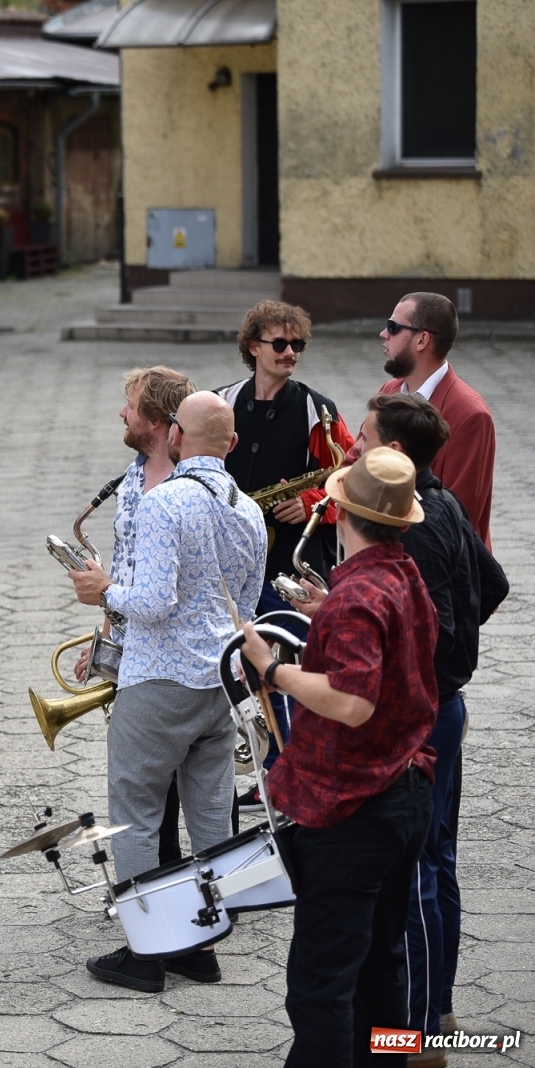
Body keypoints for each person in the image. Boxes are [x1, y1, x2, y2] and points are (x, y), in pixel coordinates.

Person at [241, 446, 437, 1067]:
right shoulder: (401, 575)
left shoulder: (359, 596)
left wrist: (274, 667)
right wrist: (328, 615)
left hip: (354, 809)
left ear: (342, 515)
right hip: (404, 794)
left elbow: (351, 703)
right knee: (385, 965)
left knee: (321, 987)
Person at [68, 390, 266, 992]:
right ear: (231, 444)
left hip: (160, 680)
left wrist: (103, 590)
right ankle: (200, 948)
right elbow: (248, 606)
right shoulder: (249, 507)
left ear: (176, 436)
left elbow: (152, 603)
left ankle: (148, 952)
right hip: (219, 681)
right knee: (210, 816)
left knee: (135, 817)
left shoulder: (165, 501)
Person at [337, 394, 506, 1052]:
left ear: (395, 455)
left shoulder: (420, 524)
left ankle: (422, 1031)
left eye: (365, 436)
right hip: (440, 706)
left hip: (426, 715)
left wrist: (420, 662)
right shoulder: (448, 502)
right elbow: (492, 585)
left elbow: (434, 620)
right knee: (432, 862)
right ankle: (430, 1014)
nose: (353, 445)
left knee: (419, 873)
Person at [216, 300, 354, 805]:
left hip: (290, 559)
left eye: (297, 344)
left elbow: (350, 481)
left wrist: (314, 500)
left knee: (293, 662)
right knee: (244, 664)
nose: (290, 352)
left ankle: (288, 769)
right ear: (253, 348)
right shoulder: (219, 402)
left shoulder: (320, 411)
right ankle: (262, 764)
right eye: (279, 344)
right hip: (230, 556)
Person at [77, 367, 195, 867]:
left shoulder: (190, 483)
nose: (121, 413)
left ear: (155, 418)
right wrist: (106, 645)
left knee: (195, 782)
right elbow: (123, 567)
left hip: (180, 659)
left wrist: (109, 593)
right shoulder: (131, 475)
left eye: (130, 405)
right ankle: (164, 879)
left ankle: (209, 889)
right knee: (149, 788)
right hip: (136, 647)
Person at [378, 292, 495, 549]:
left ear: (422, 339)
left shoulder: (470, 415)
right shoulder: (390, 390)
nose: (383, 334)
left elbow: (456, 516)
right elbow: (358, 461)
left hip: (438, 567)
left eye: (393, 327)